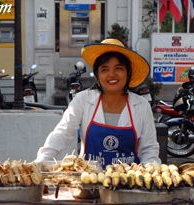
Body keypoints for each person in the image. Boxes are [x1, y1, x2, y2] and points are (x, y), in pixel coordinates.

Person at [36, 38, 160, 167]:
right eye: (104, 69)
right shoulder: (83, 100)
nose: (111, 74)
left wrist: (150, 170)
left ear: (127, 73)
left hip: (129, 183)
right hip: (89, 180)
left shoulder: (141, 105)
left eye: (118, 68)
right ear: (98, 75)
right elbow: (62, 133)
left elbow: (149, 149)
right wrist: (42, 161)